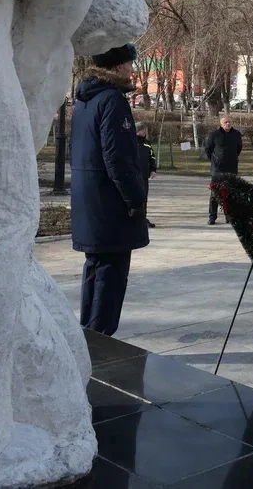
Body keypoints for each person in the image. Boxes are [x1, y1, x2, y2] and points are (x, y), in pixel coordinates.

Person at [70, 42, 149, 336]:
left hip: (90, 201)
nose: (131, 70)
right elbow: (118, 158)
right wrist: (135, 200)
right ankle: (100, 343)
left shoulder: (85, 100)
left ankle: (89, 336)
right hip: (110, 205)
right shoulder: (112, 100)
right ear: (116, 66)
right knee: (111, 277)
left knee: (96, 270)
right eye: (129, 64)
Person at [204, 114, 243, 225]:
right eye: (225, 122)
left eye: (229, 122)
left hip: (231, 168)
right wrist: (215, 160)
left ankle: (229, 216)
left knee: (230, 193)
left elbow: (239, 148)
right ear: (221, 124)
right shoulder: (214, 135)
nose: (228, 124)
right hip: (218, 168)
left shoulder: (236, 134)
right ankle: (212, 216)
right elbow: (208, 149)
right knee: (215, 193)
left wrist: (232, 158)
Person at [135, 122, 159, 229]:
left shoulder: (147, 143)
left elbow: (152, 157)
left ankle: (143, 218)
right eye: (143, 130)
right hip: (134, 175)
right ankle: (135, 219)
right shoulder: (131, 142)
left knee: (144, 198)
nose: (145, 132)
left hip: (144, 176)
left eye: (145, 130)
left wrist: (153, 170)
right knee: (135, 198)